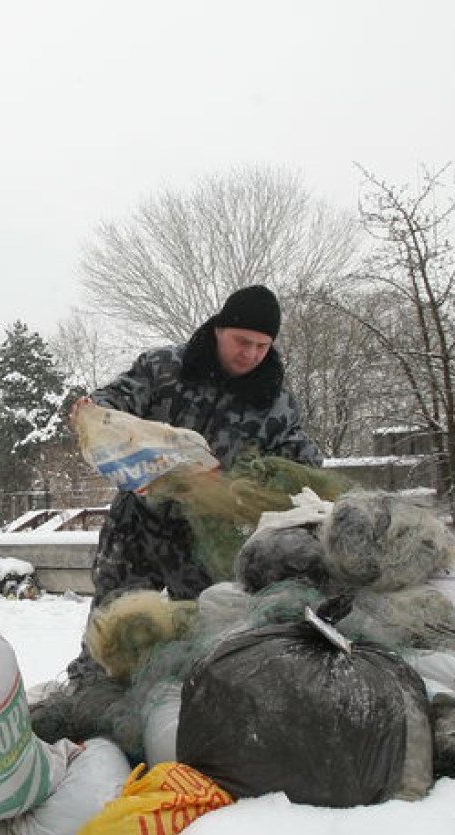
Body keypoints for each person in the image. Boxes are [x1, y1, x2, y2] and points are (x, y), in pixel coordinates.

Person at [66, 284, 322, 683]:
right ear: (220, 328)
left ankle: (183, 720)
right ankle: (90, 710)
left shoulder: (274, 402)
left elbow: (302, 462)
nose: (250, 354)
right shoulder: (163, 368)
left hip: (208, 538)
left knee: (206, 638)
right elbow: (115, 402)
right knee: (111, 633)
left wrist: (245, 482)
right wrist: (93, 412)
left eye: (262, 346)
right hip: (137, 525)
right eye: (242, 341)